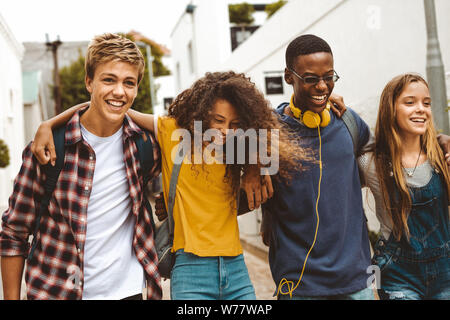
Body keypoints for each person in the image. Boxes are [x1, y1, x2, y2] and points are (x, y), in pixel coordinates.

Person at [30, 70, 321, 300]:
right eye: (217, 120)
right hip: (190, 270)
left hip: (236, 267)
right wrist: (49, 124)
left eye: (234, 124)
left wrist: (256, 165)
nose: (224, 131)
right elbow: (112, 108)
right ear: (202, 112)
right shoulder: (176, 134)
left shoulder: (240, 148)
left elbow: (269, 140)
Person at [0, 33, 162, 300]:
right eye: (108, 79)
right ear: (89, 82)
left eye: (128, 83)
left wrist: (253, 169)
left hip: (128, 293)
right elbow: (14, 233)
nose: (119, 91)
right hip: (58, 291)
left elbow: (198, 133)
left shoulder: (145, 146)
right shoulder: (49, 148)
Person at [261, 34, 376, 300]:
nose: (323, 86)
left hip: (357, 283)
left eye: (329, 77)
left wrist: (441, 139)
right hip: (299, 286)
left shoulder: (349, 123)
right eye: (311, 79)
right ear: (289, 77)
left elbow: (395, 148)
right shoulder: (268, 134)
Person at [359, 73, 450, 300]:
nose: (421, 109)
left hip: (445, 269)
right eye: (410, 102)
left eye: (426, 103)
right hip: (394, 272)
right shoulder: (369, 163)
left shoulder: (442, 157)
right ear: (391, 108)